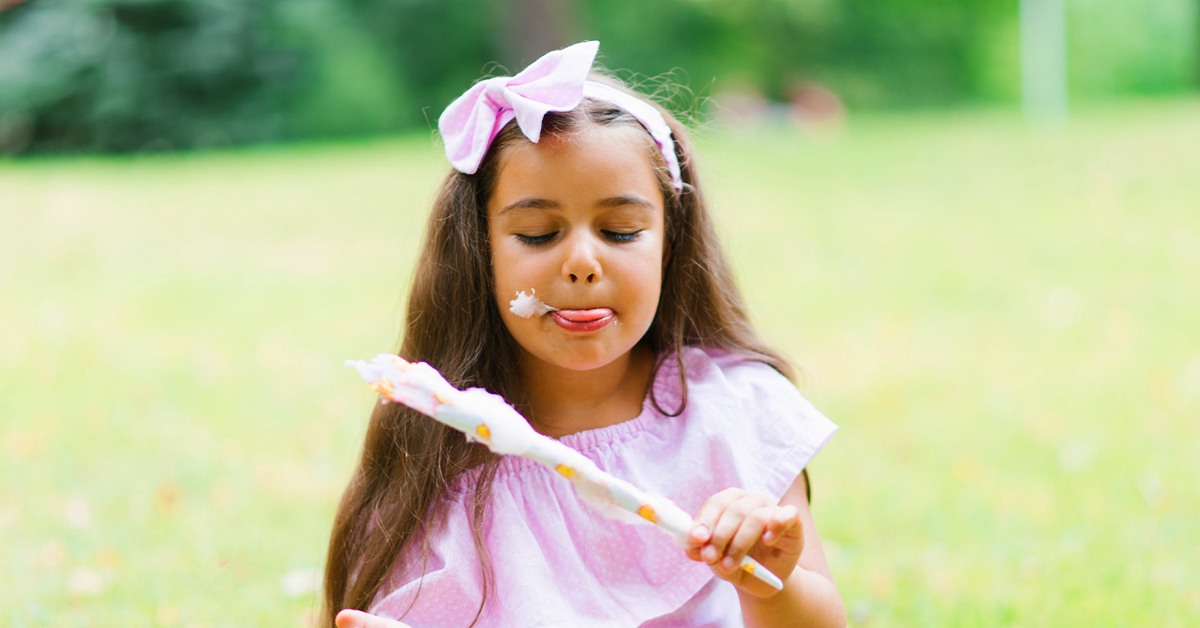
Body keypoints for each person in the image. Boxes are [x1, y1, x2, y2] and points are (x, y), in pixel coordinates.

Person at [324, 41, 844, 628]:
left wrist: (770, 585)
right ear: (480, 254)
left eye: (621, 232)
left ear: (670, 244)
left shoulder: (739, 413)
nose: (581, 264)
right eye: (539, 234)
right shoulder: (437, 449)